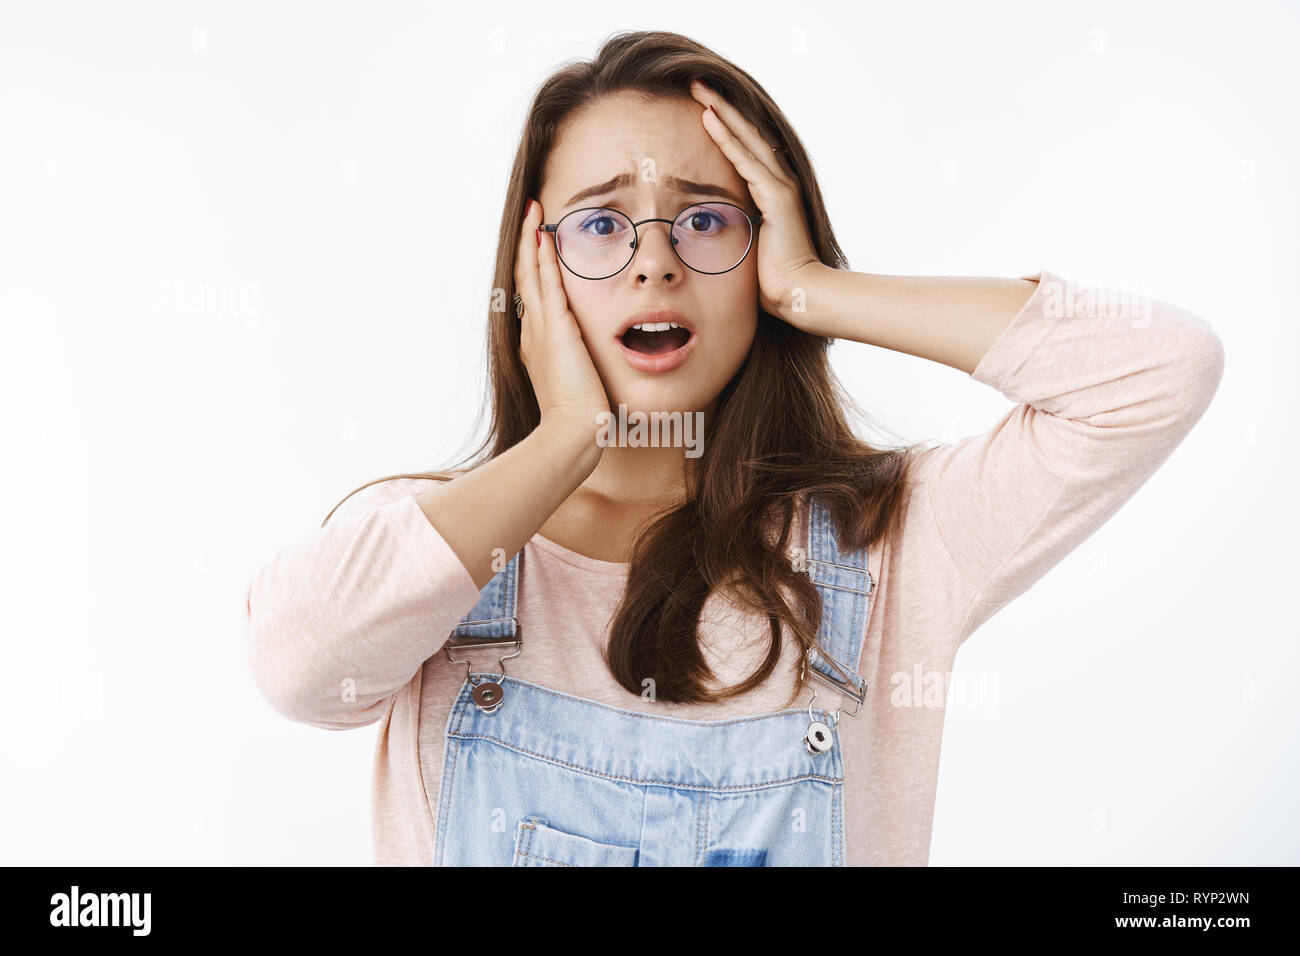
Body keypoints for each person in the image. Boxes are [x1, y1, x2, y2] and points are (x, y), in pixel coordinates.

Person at [243, 30, 1225, 866]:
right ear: (533, 266)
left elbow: (1160, 369)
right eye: (601, 225)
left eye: (706, 218)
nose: (655, 260)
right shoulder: (444, 551)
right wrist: (564, 440)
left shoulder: (887, 541)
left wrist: (816, 293)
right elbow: (296, 664)